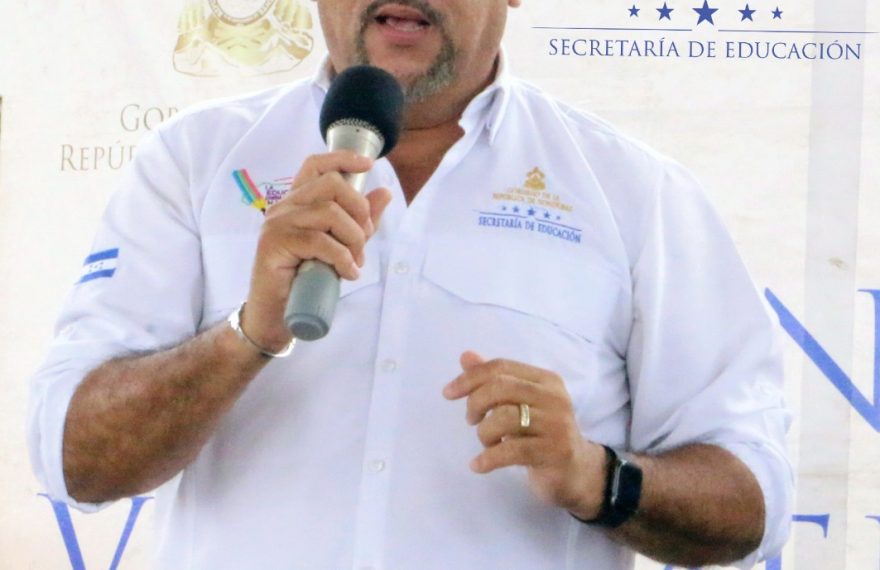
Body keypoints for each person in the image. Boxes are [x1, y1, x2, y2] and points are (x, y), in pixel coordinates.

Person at [28, 0, 793, 568]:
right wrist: (247, 334)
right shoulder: (193, 160)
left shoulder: (634, 192)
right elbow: (75, 460)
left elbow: (752, 499)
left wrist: (599, 478)